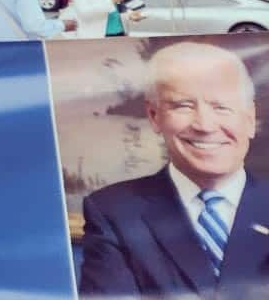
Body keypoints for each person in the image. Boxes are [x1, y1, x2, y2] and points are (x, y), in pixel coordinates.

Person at [79, 41, 266, 299]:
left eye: (221, 107)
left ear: (249, 119)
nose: (204, 125)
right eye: (183, 105)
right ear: (154, 116)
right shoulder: (113, 212)